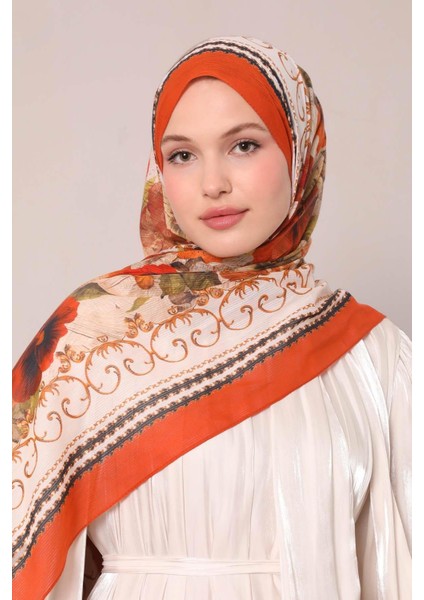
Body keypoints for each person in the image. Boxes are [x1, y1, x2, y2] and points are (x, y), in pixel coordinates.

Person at [12, 36, 411, 599]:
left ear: (299, 152)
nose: (212, 183)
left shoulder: (373, 354)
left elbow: (399, 570)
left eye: (244, 145)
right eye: (182, 155)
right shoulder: (91, 336)